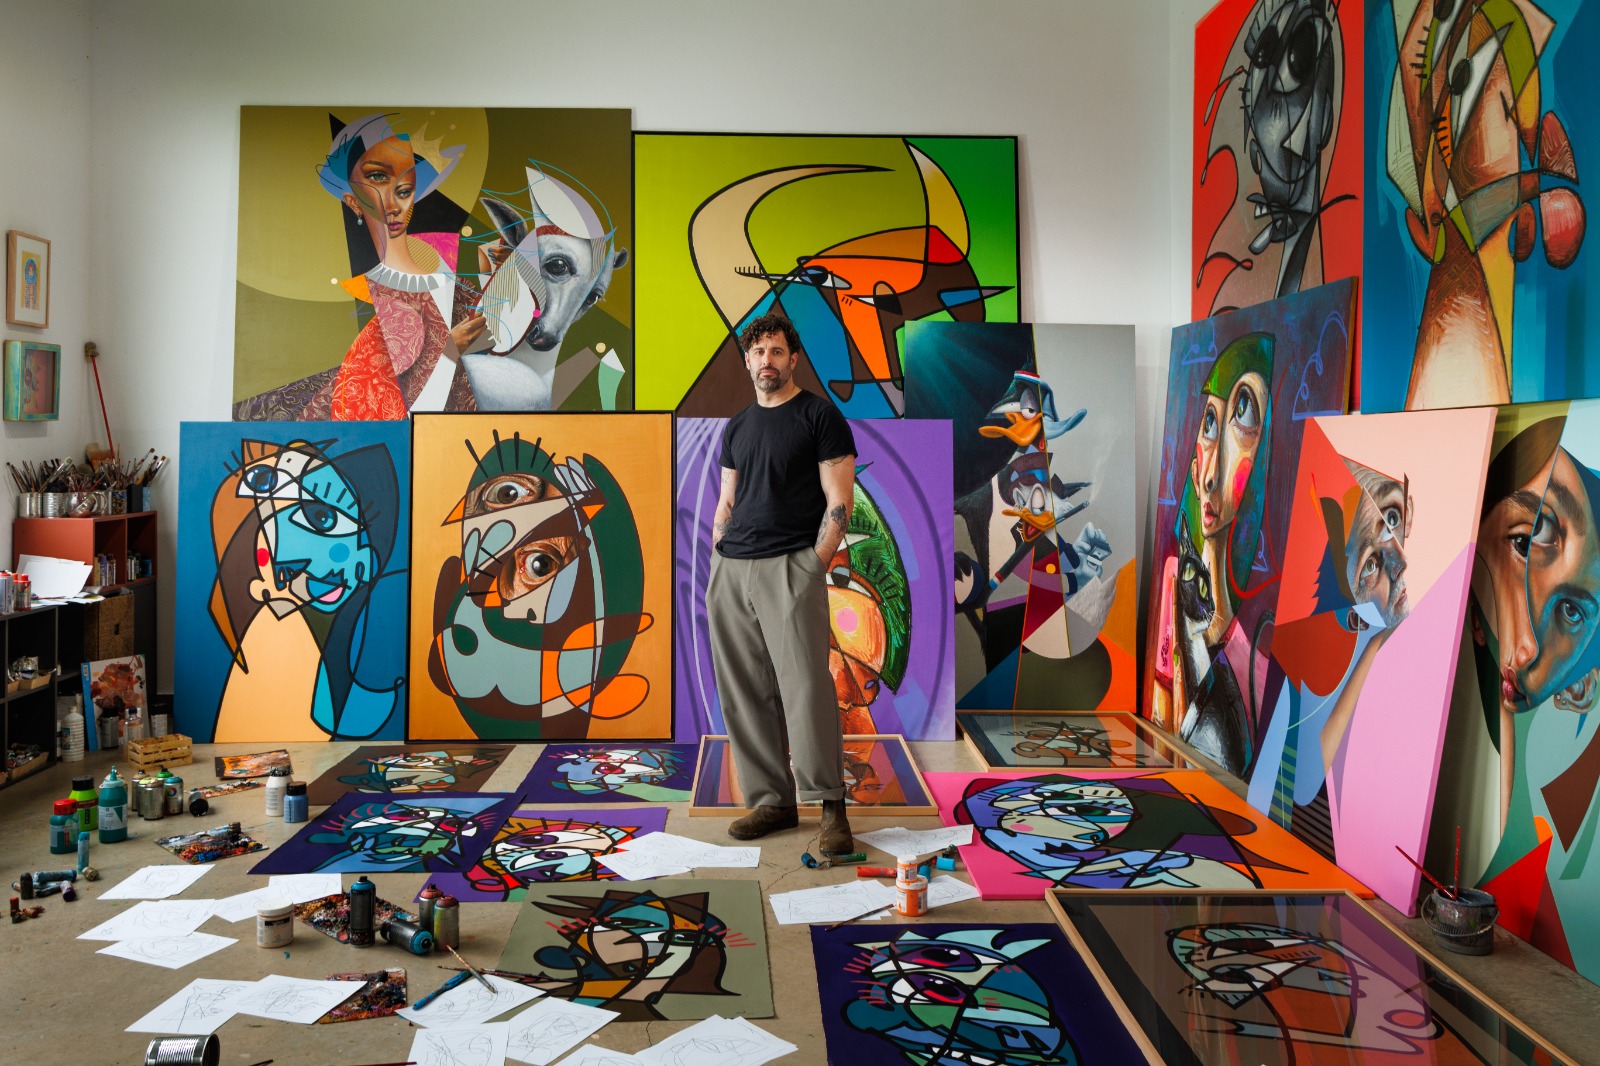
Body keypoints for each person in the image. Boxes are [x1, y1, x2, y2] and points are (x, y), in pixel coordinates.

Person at [706, 311, 857, 852]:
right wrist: (717, 554)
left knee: (806, 688)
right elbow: (727, 499)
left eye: (776, 351)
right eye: (757, 352)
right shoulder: (738, 426)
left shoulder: (819, 416)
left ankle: (831, 806)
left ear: (793, 359)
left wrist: (813, 564)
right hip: (732, 569)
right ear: (747, 361)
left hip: (791, 564)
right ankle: (773, 801)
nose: (766, 361)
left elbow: (840, 499)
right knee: (744, 690)